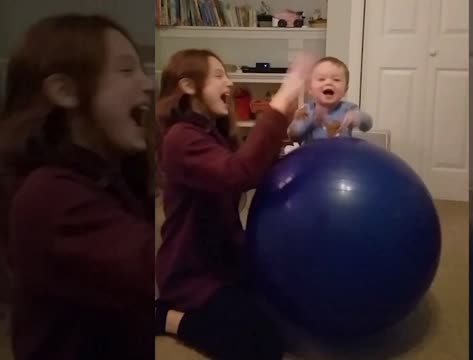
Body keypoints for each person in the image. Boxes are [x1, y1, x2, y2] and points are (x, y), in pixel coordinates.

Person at [0, 14, 155, 360]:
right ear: (65, 91)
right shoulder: (49, 196)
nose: (146, 83)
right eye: (127, 70)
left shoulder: (105, 174)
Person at [154, 49, 316, 359]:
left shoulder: (211, 133)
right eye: (218, 75)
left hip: (227, 259)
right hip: (193, 274)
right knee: (263, 345)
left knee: (286, 309)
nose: (229, 82)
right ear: (188, 86)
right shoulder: (180, 139)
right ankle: (167, 317)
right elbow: (238, 174)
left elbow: (254, 170)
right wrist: (283, 95)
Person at [287, 56, 373, 144]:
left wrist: (358, 117)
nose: (328, 82)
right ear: (310, 89)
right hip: (312, 156)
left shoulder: (349, 109)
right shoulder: (305, 111)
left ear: (345, 90)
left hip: (340, 155)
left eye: (336, 80)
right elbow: (293, 135)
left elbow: (368, 125)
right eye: (321, 79)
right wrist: (312, 121)